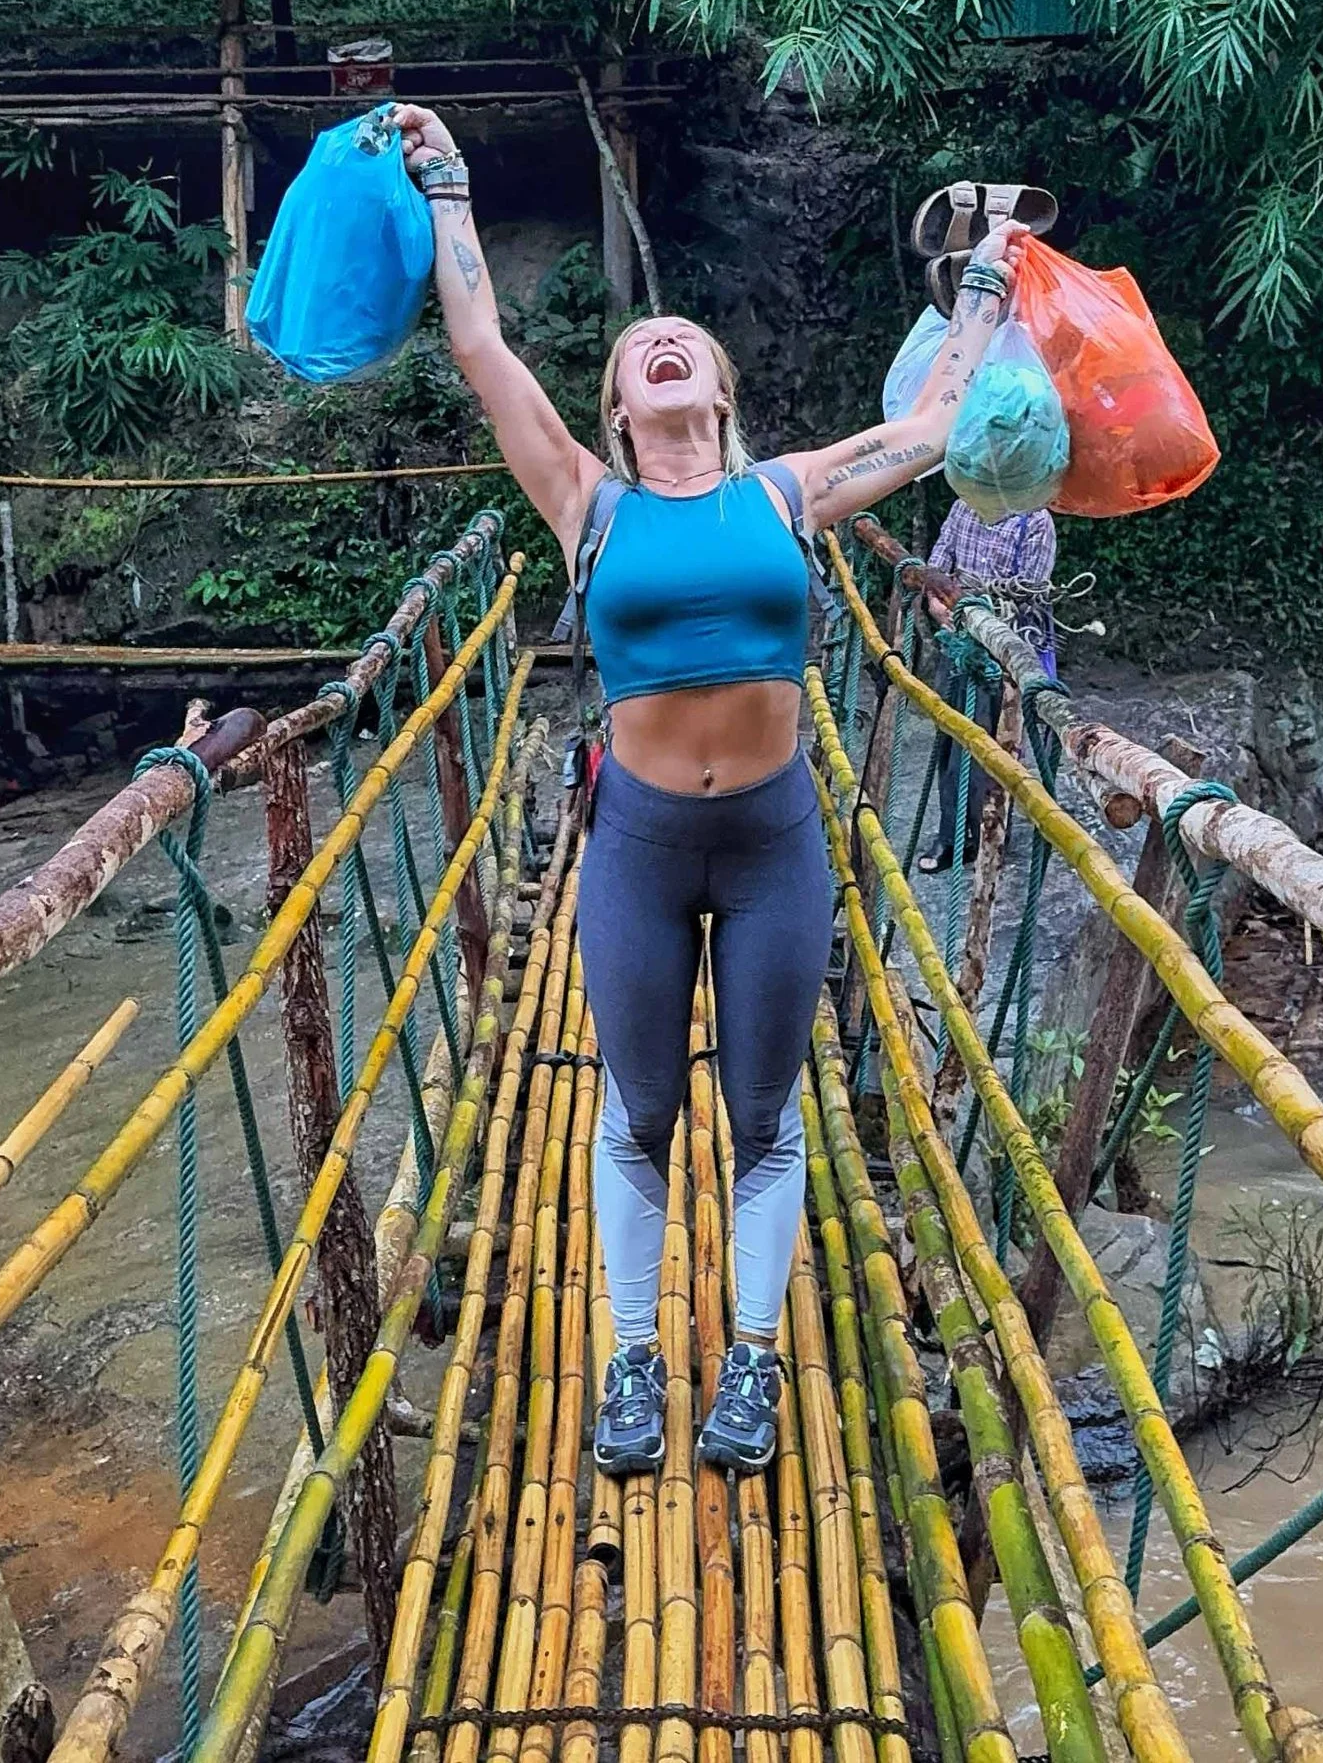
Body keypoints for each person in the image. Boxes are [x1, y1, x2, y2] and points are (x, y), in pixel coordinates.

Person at [378, 103, 1023, 1477]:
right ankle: (630, 1358)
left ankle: (750, 1363)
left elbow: (930, 428)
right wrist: (448, 184)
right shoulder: (587, 503)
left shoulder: (788, 495)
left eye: (681, 346)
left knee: (764, 1111)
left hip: (778, 836)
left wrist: (987, 277)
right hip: (642, 844)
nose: (658, 348)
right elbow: (483, 347)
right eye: (633, 353)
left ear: (717, 390)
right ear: (619, 405)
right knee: (644, 1109)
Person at [918, 499, 1057, 873]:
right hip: (955, 638)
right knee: (949, 738)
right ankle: (951, 833)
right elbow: (936, 566)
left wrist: (981, 620)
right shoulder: (964, 506)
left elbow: (1031, 594)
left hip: (1002, 649)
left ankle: (986, 832)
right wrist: (939, 606)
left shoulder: (1035, 522)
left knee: (991, 742)